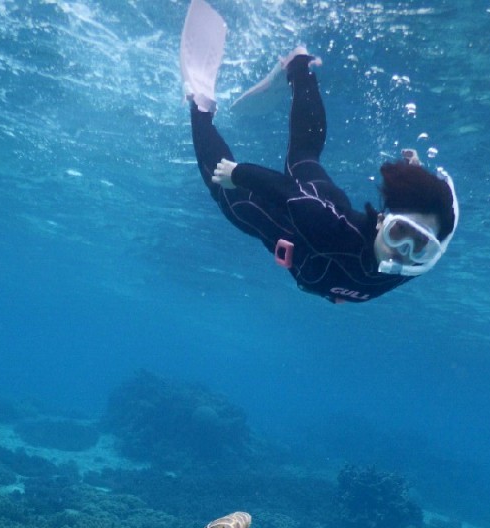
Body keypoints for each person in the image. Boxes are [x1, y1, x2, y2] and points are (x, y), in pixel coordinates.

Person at [180, 0, 459, 305]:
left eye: (420, 246)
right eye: (400, 231)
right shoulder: (330, 227)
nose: (403, 251)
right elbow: (285, 191)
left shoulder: (416, 265)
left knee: (304, 155)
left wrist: (415, 179)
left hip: (314, 245)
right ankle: (202, 106)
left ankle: (297, 67)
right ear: (383, 220)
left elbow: (448, 219)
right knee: (229, 190)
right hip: (298, 221)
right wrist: (237, 173)